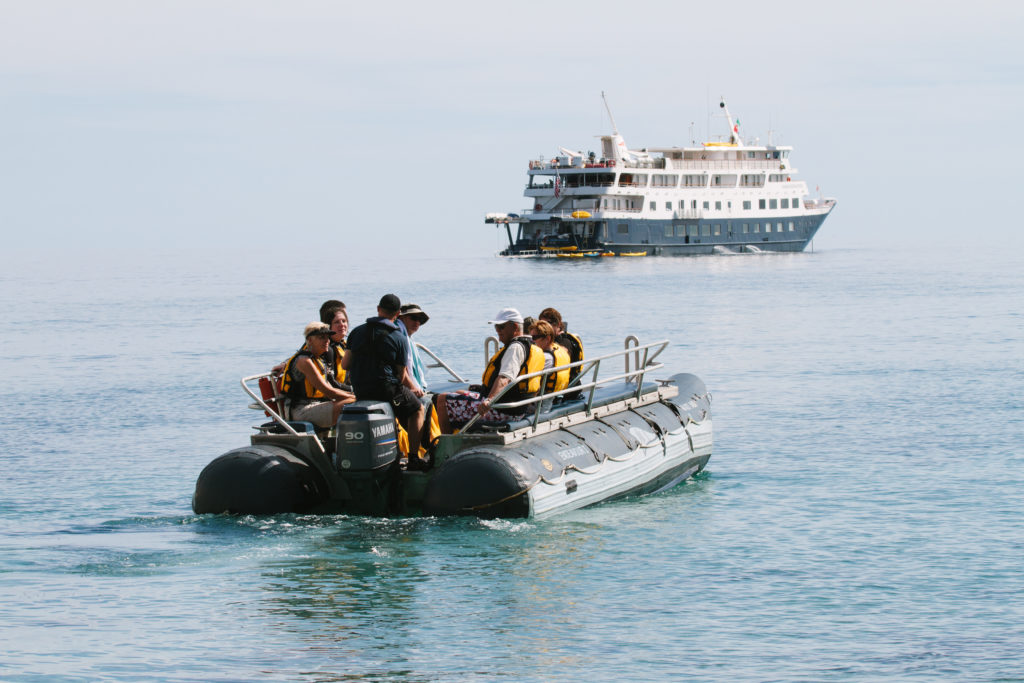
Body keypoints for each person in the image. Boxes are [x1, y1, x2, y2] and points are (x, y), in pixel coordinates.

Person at [343, 294, 427, 467]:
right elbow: (401, 376)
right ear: (397, 314)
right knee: (417, 408)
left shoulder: (357, 332)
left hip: (361, 390)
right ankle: (413, 457)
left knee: (403, 405)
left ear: (378, 309)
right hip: (385, 389)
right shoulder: (399, 338)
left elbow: (345, 365)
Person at [436, 308, 544, 433]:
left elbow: (504, 379)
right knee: (460, 392)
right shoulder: (531, 345)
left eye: (501, 327)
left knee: (442, 399)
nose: (498, 330)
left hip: (501, 410)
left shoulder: (515, 348)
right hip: (518, 409)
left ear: (515, 327)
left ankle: (447, 446)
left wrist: (489, 400)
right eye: (496, 327)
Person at [280, 322, 356, 428]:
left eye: (328, 337)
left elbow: (330, 387)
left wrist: (354, 395)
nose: (327, 341)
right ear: (310, 340)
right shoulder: (304, 361)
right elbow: (328, 392)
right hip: (301, 410)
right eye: (321, 337)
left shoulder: (318, 359)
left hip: (316, 404)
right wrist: (356, 396)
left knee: (356, 402)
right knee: (354, 404)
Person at [539, 307, 585, 398]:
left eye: (548, 323)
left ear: (558, 324)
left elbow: (562, 354)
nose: (545, 327)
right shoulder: (545, 342)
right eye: (542, 324)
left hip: (567, 389)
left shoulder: (565, 342)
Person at [529, 320, 570, 410]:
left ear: (547, 338)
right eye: (530, 337)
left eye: (535, 337)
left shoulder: (545, 357)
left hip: (539, 406)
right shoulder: (556, 349)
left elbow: (530, 381)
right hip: (547, 400)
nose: (532, 341)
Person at [397, 303, 430, 394]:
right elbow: (401, 371)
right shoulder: (398, 338)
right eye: (413, 318)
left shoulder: (409, 340)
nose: (417, 322)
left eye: (420, 320)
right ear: (401, 318)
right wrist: (413, 388)